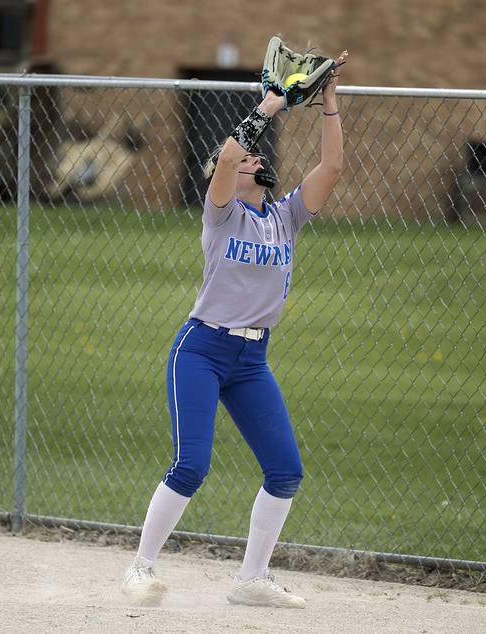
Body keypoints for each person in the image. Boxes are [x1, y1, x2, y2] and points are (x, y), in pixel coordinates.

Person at [121, 49, 349, 608]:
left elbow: (332, 169)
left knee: (286, 471)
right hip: (201, 350)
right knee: (192, 464)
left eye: (254, 159)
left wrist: (329, 102)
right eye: (244, 159)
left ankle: (250, 581)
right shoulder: (221, 214)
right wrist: (267, 107)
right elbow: (225, 160)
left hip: (252, 361)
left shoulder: (284, 217)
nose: (251, 160)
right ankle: (140, 568)